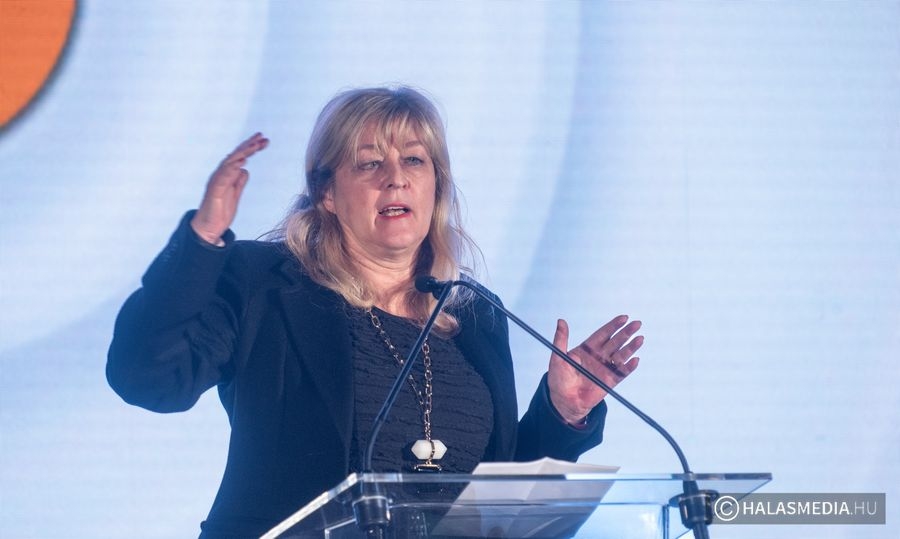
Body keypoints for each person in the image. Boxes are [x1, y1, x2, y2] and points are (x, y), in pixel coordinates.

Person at [107, 86, 643, 538]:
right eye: (369, 163)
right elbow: (149, 378)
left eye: (414, 160)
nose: (396, 178)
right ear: (326, 193)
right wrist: (202, 241)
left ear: (435, 186)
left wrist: (561, 414)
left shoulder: (476, 316)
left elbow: (494, 504)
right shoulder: (265, 285)